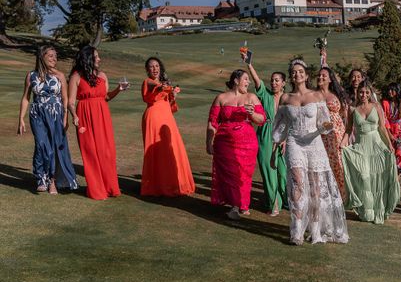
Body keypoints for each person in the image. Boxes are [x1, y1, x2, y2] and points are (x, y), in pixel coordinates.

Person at [273, 59, 349, 245]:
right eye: (293, 72)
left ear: (306, 75)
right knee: (298, 183)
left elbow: (324, 122)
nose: (296, 74)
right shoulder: (285, 98)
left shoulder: (316, 96)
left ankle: (315, 230)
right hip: (294, 142)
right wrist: (275, 145)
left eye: (300, 71)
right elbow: (279, 126)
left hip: (314, 142)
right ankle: (297, 230)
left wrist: (327, 126)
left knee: (315, 189)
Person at [68, 46, 127, 200]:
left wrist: (118, 89)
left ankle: (110, 187)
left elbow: (106, 97)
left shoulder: (102, 75)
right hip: (85, 115)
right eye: (96, 56)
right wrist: (74, 115)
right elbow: (71, 102)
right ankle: (96, 189)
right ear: (88, 59)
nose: (99, 59)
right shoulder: (76, 77)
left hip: (102, 115)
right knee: (91, 152)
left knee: (107, 151)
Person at [17, 45, 77, 194]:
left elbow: (64, 99)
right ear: (41, 56)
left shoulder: (60, 76)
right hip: (37, 114)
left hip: (56, 115)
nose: (54, 59)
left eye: (55, 56)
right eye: (50, 55)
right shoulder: (31, 75)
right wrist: (21, 119)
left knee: (55, 148)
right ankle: (41, 178)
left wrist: (65, 118)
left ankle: (52, 182)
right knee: (42, 145)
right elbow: (25, 98)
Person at [207, 70, 265, 220]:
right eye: (246, 79)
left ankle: (241, 205)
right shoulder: (221, 98)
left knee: (243, 175)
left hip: (247, 142)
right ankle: (234, 204)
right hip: (224, 141)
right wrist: (209, 142)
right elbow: (212, 122)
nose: (249, 82)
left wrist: (251, 114)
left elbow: (261, 119)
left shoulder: (252, 97)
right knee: (229, 173)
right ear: (236, 80)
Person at [342, 81, 400, 224]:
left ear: (370, 93)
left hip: (376, 146)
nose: (364, 95)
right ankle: (366, 211)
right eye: (361, 92)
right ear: (357, 92)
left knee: (378, 178)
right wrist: (343, 143)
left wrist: (389, 145)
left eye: (367, 92)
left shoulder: (376, 106)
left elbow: (382, 127)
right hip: (361, 147)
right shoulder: (352, 109)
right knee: (364, 177)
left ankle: (378, 209)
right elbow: (349, 129)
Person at [140, 57, 195, 197]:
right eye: (151, 67)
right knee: (158, 151)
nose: (155, 69)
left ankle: (172, 182)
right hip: (153, 118)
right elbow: (149, 96)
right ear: (147, 70)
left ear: (160, 67)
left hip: (167, 118)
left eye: (157, 66)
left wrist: (173, 95)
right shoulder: (148, 82)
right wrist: (161, 89)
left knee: (172, 148)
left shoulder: (163, 83)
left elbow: (170, 106)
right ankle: (157, 185)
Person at [243, 52, 288, 216]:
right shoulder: (265, 95)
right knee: (269, 172)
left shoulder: (289, 98)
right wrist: (249, 64)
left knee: (283, 173)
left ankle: (287, 201)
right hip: (266, 134)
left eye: (277, 80)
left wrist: (286, 139)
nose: (274, 82)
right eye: (272, 80)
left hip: (285, 135)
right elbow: (257, 82)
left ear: (284, 83)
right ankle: (273, 204)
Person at [317, 66, 349, 201]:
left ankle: (339, 197)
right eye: (319, 75)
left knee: (338, 164)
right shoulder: (314, 95)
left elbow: (345, 116)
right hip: (321, 135)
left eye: (324, 75)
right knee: (324, 165)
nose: (320, 77)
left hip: (337, 134)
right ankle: (324, 196)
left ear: (330, 79)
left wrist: (346, 137)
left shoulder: (336, 93)